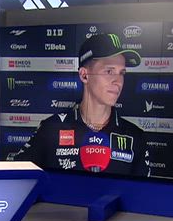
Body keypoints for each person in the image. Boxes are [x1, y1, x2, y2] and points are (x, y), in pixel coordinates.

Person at [11, 33, 150, 176]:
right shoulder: (51, 129)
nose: (118, 81)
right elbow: (17, 178)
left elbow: (144, 189)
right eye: (109, 71)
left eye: (122, 73)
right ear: (84, 75)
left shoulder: (136, 137)